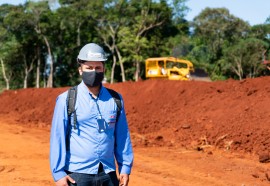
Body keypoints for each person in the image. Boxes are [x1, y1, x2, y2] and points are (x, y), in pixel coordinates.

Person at [50, 43, 134, 186]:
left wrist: (125, 168)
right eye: (89, 68)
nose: (93, 72)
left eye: (97, 68)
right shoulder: (67, 99)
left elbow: (122, 136)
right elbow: (58, 138)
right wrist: (58, 174)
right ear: (80, 70)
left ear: (103, 69)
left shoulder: (115, 99)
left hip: (108, 174)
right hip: (78, 175)